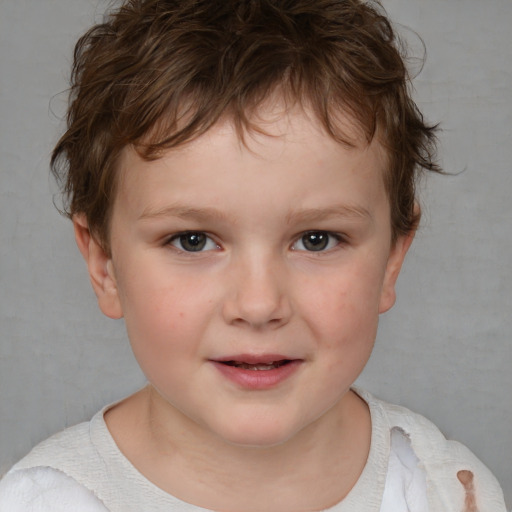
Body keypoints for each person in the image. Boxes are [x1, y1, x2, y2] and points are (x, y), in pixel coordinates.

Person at [0, 0, 507, 510]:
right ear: (104, 265)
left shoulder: (446, 491)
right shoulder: (47, 502)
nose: (260, 304)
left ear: (392, 260)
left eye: (316, 239)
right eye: (193, 240)